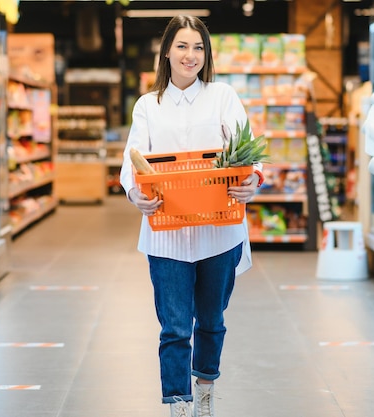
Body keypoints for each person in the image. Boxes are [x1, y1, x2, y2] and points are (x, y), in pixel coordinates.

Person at [119, 15, 263, 417]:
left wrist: (253, 181)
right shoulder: (148, 105)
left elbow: (248, 155)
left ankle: (204, 392)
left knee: (212, 321)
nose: (191, 55)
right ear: (166, 51)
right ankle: (178, 406)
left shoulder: (222, 97)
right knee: (176, 329)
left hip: (219, 232)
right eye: (182, 46)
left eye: (198, 47)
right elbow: (132, 161)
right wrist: (136, 193)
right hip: (166, 234)